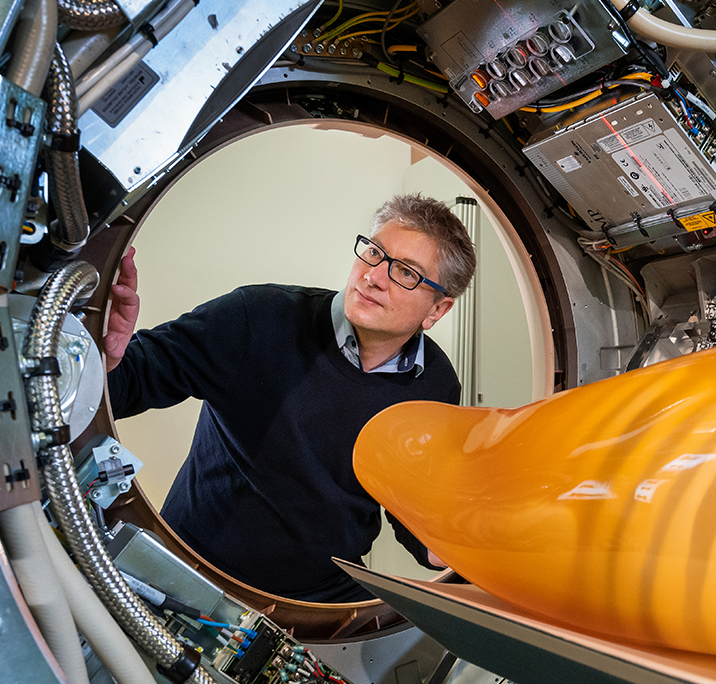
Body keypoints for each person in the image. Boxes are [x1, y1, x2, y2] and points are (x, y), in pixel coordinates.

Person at [105, 194, 476, 603]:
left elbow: (408, 500)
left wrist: (442, 547)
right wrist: (107, 355)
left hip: (320, 598)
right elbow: (129, 382)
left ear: (437, 309)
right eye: (373, 253)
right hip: (194, 569)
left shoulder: (437, 385)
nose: (374, 276)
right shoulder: (257, 317)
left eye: (405, 272)